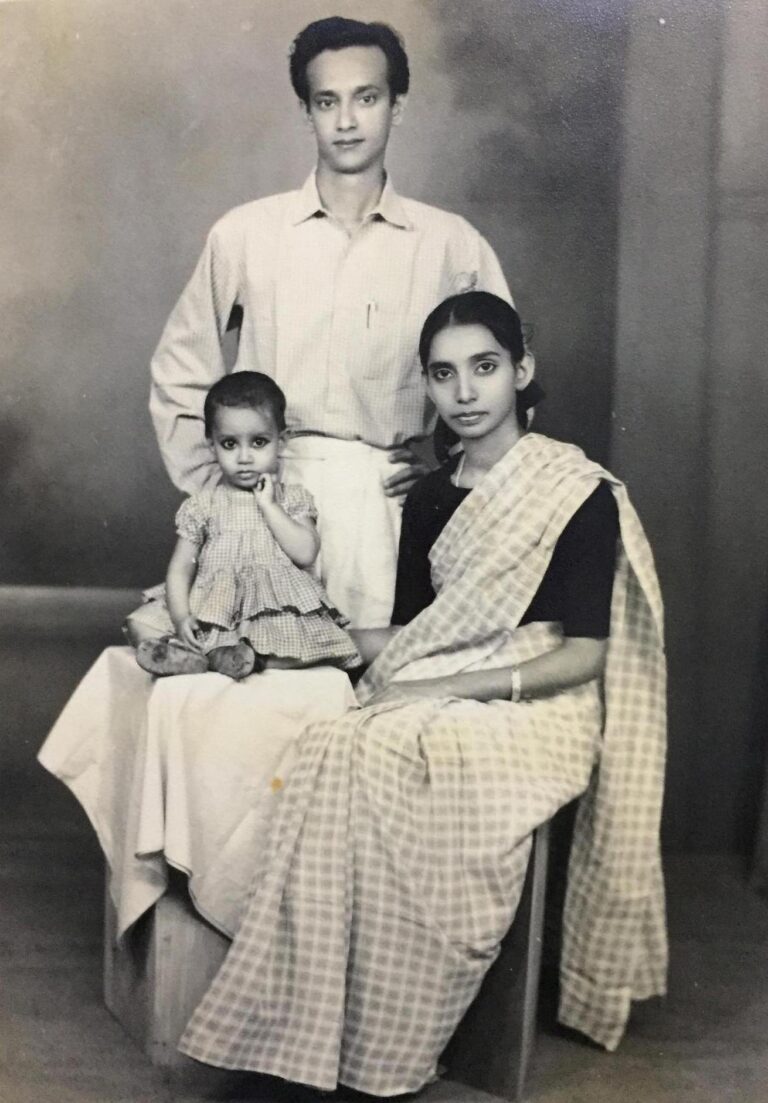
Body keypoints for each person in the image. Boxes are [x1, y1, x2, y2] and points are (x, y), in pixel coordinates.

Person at [177, 293, 667, 1094]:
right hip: (442, 677)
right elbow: (409, 629)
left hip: (536, 701)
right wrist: (285, 631)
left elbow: (583, 654)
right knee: (338, 741)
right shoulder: (433, 495)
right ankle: (312, 1034)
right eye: (443, 375)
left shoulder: (575, 489)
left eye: (484, 368)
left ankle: (394, 1044)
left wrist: (455, 684)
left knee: (406, 740)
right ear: (428, 387)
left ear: (522, 370)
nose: (465, 393)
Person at [149, 16, 514, 628]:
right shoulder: (245, 234)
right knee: (260, 689)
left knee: (371, 690)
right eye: (327, 102)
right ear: (306, 112)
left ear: (396, 107)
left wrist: (450, 467)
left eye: (366, 98)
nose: (346, 121)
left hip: (389, 504)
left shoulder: (452, 244)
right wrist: (222, 490)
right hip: (270, 497)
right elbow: (180, 370)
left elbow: (500, 377)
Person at [125, 372, 361, 680]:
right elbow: (181, 567)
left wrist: (269, 506)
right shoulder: (203, 504)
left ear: (282, 441)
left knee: (301, 650)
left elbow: (305, 553)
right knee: (139, 623)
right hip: (212, 604)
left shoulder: (291, 499)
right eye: (229, 444)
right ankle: (189, 655)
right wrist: (181, 616)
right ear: (211, 446)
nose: (245, 457)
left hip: (266, 608)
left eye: (259, 442)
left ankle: (246, 659)